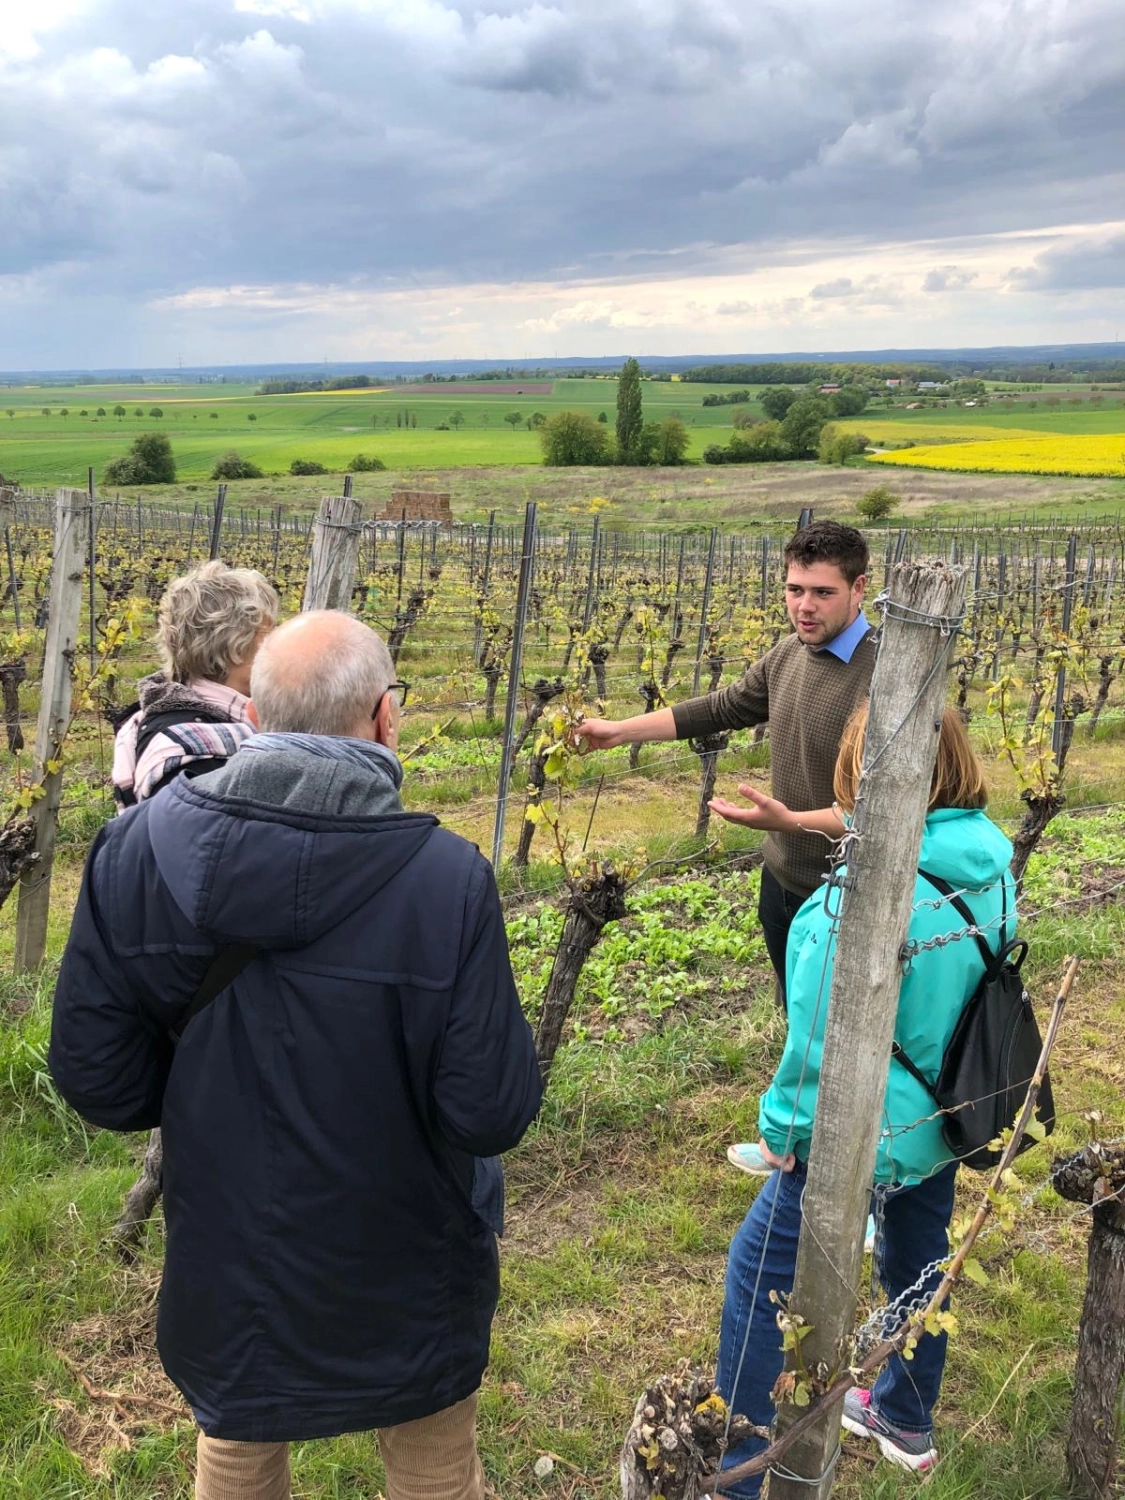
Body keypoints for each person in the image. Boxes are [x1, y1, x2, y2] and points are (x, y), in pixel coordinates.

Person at [50, 610, 544, 1500]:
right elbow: (489, 1111)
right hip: (413, 1251)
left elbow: (101, 1080)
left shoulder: (132, 852)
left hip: (226, 1244)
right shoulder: (446, 880)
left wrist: (210, 1093)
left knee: (236, 1452)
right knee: (433, 1466)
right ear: (386, 717)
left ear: (251, 714)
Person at [715, 705, 1016, 1492]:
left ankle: (737, 1471)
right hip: (946, 1117)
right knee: (919, 1256)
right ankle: (904, 1417)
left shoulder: (848, 902)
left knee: (756, 1274)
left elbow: (811, 1049)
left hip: (863, 1138)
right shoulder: (990, 863)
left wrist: (780, 1135)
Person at [578, 521, 876, 1000]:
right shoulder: (789, 652)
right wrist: (618, 732)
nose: (804, 606)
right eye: (794, 589)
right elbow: (722, 707)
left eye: (823, 592)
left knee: (843, 1034)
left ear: (859, 588)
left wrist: (791, 821)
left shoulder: (882, 675)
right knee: (796, 1020)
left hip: (850, 893)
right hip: (781, 881)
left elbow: (882, 811)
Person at [112, 560, 279, 808]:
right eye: (267, 633)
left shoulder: (183, 715)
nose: (277, 643)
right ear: (233, 644)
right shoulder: (192, 762)